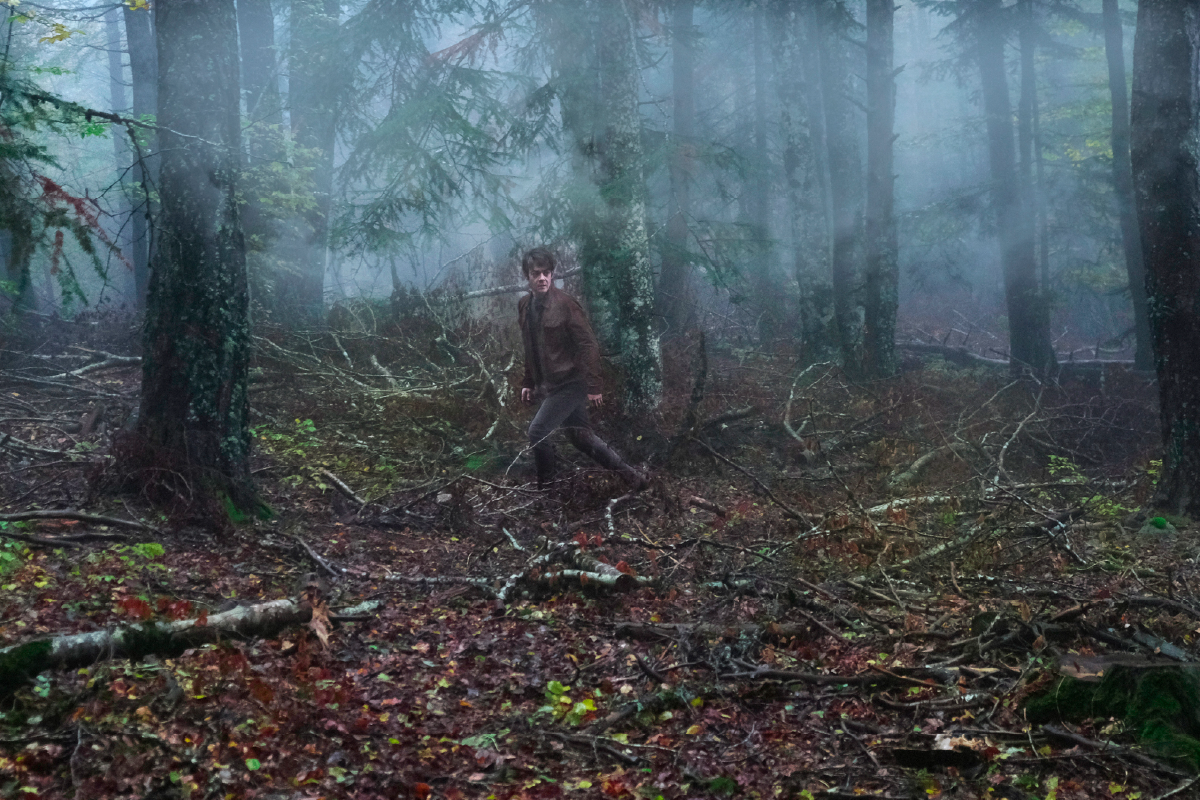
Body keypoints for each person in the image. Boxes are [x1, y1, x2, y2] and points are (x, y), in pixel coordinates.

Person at [518, 247, 647, 490]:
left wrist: (594, 385)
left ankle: (548, 493)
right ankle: (635, 479)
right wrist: (528, 382)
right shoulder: (524, 306)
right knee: (581, 436)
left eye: (547, 272)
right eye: (537, 273)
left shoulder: (566, 305)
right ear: (528, 276)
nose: (543, 278)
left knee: (538, 432)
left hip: (571, 383)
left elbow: (588, 344)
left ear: (553, 274)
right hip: (551, 384)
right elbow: (530, 347)